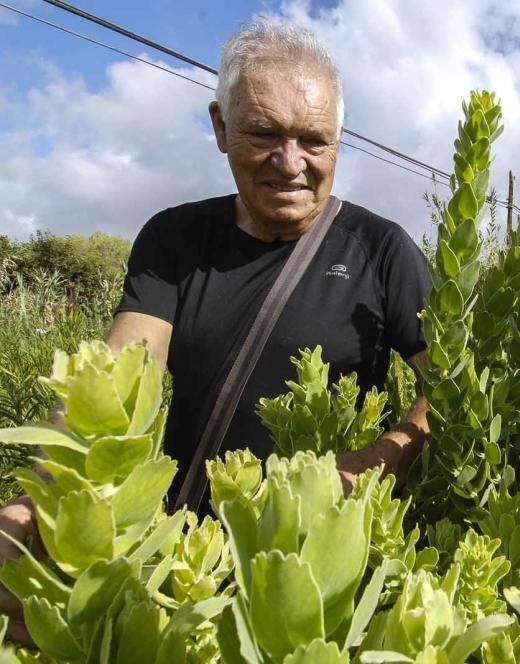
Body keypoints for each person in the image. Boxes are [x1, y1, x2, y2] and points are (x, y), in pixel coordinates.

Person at [0, 20, 431, 646]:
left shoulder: (381, 250)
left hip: (320, 571)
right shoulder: (173, 241)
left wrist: (378, 461)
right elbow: (114, 377)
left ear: (338, 142)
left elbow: (449, 389)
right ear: (221, 127)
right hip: (182, 560)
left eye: (314, 140)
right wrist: (41, 498)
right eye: (264, 133)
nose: (291, 163)